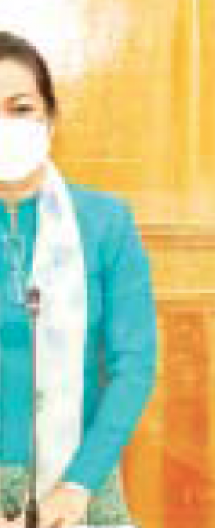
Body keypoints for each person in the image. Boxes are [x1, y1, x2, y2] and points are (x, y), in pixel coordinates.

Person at [0, 31, 157, 525]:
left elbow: (134, 364)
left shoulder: (106, 221)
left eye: (20, 108)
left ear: (50, 117)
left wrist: (78, 484)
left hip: (79, 474)